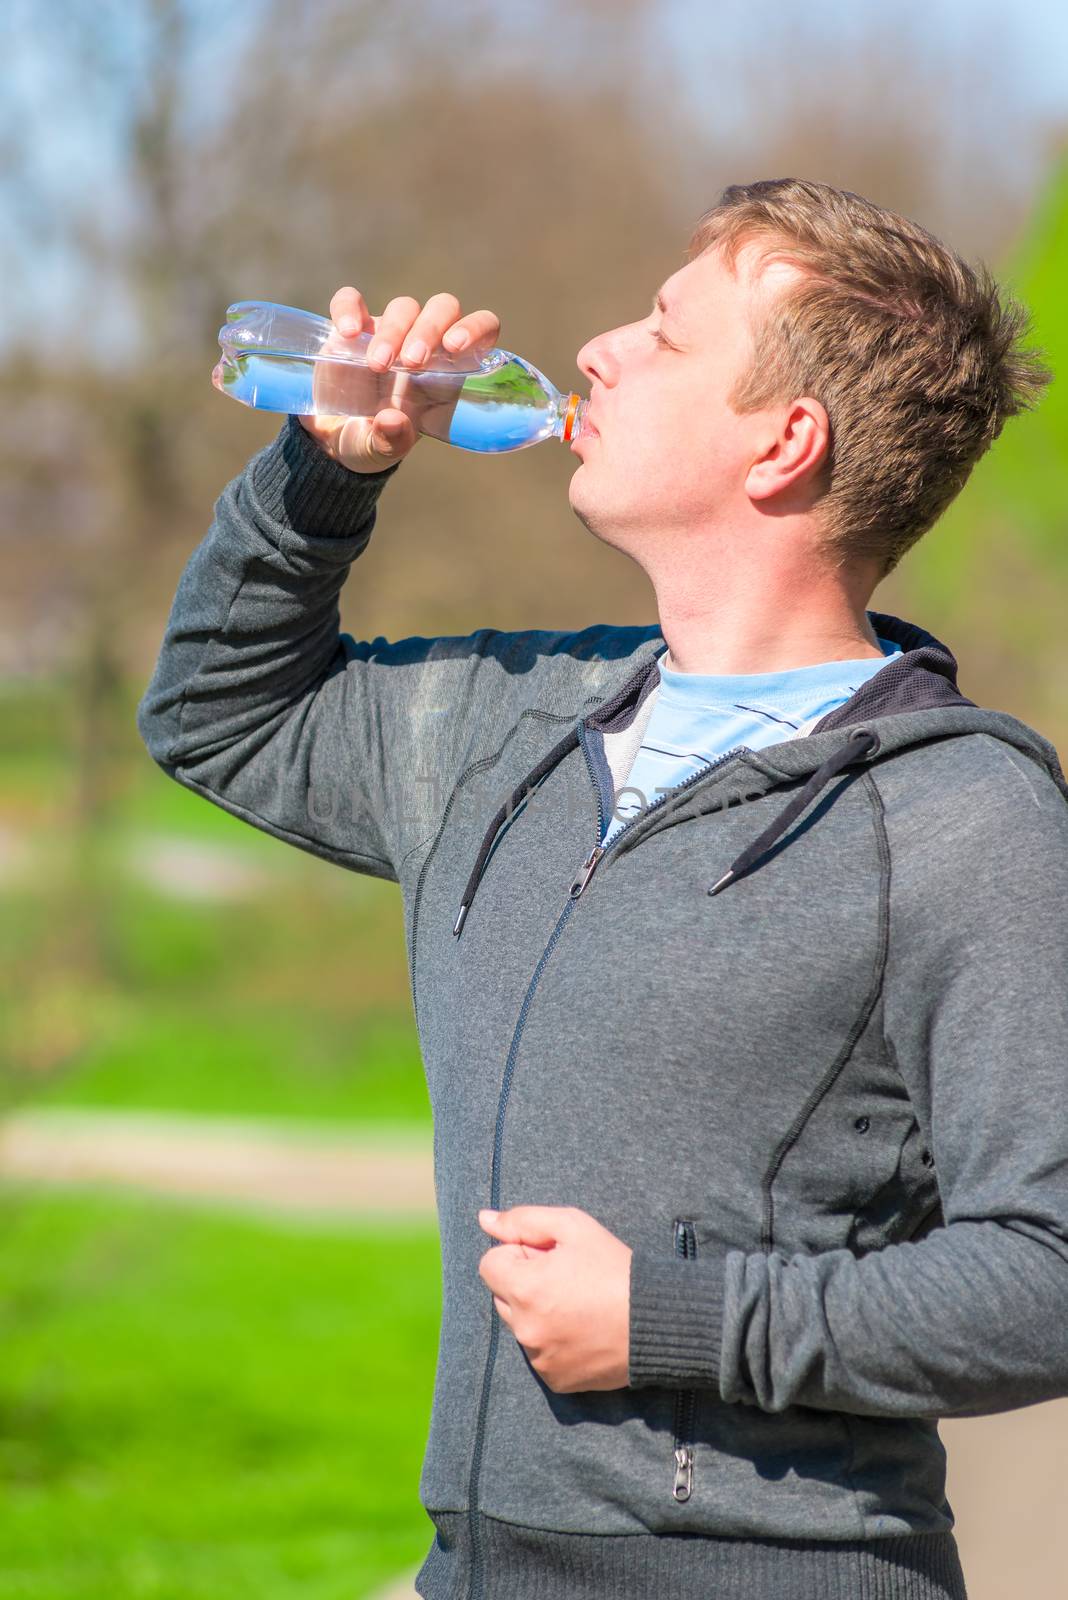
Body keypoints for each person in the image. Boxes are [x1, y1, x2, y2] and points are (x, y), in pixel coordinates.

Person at [138, 177, 1068, 1600]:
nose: (599, 348)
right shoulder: (506, 723)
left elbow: (1046, 1271)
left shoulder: (960, 817)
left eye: (667, 332)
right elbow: (214, 713)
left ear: (783, 442)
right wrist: (328, 471)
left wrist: (671, 1322)